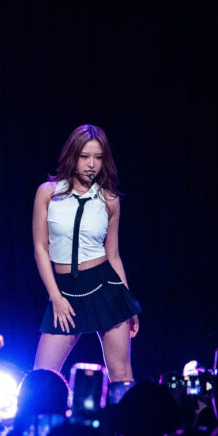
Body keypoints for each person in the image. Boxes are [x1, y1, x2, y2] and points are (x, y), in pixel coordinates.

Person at [31, 124, 140, 382]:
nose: (92, 164)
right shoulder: (48, 192)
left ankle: (128, 422)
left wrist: (129, 302)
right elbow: (40, 248)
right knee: (41, 376)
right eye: (85, 156)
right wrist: (55, 297)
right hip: (66, 291)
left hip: (107, 287)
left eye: (98, 157)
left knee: (122, 374)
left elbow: (113, 255)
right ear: (73, 156)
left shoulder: (109, 200)